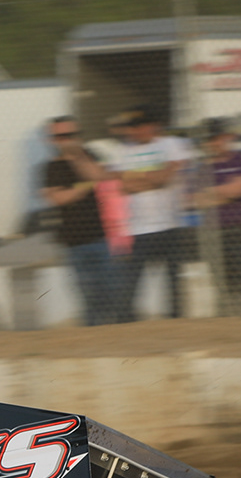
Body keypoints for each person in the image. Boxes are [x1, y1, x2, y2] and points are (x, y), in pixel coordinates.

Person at [105, 107, 194, 319]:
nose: (133, 132)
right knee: (131, 282)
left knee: (173, 282)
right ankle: (126, 325)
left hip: (170, 225)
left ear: (152, 126)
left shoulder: (171, 144)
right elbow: (121, 186)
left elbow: (166, 178)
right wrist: (154, 177)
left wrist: (138, 179)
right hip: (137, 228)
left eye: (138, 127)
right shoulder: (123, 150)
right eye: (131, 128)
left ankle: (176, 322)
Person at [40, 116, 122, 325]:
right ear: (52, 139)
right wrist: (84, 186)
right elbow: (57, 198)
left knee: (112, 294)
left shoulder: (90, 156)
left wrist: (78, 158)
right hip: (73, 243)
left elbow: (102, 177)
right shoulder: (50, 167)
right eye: (60, 136)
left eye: (70, 135)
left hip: (101, 238)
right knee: (88, 298)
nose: (66, 140)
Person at [194, 118, 241, 317]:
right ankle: (228, 325)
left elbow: (240, 189)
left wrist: (212, 193)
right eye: (209, 140)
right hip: (213, 230)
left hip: (239, 227)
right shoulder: (202, 167)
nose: (213, 143)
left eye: (217, 138)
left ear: (228, 137)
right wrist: (226, 192)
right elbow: (196, 201)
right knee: (221, 283)